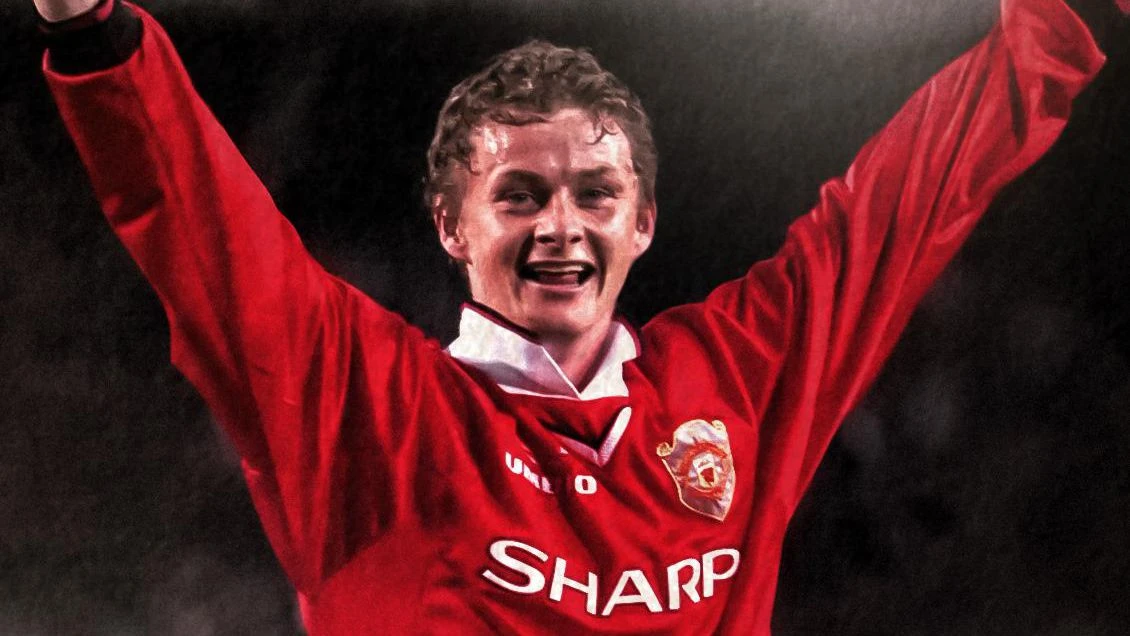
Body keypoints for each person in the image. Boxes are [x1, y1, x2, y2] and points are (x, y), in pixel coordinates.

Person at [33, 0, 1123, 632]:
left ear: (641, 222)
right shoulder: (368, 403)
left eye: (595, 194)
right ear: (451, 226)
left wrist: (1066, 22)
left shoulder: (734, 379)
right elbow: (202, 226)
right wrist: (92, 28)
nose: (561, 227)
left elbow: (901, 206)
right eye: (518, 195)